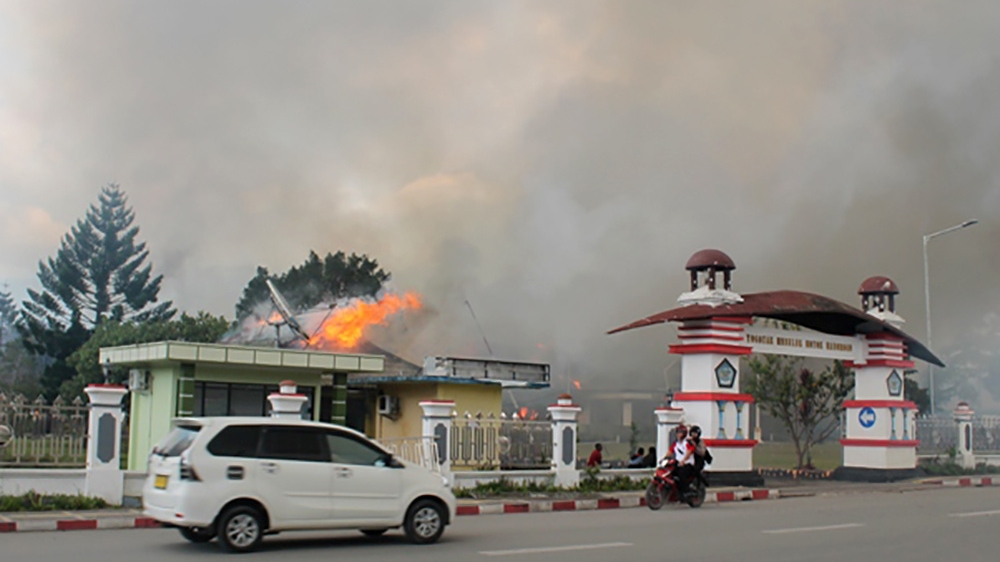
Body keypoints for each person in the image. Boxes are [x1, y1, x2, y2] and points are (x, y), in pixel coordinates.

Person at [672, 425, 696, 495]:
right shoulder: (676, 443)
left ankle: (686, 491)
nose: (678, 434)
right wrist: (663, 458)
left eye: (680, 432)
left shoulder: (687, 442)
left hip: (688, 464)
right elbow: (670, 451)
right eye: (677, 432)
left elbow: (689, 452)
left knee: (682, 474)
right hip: (678, 463)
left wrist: (684, 460)